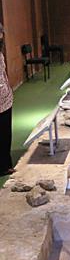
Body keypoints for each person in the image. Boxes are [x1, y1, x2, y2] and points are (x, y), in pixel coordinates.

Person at [0, 23, 15, 176]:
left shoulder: (0, 53)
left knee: (5, 134)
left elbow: (3, 73)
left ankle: (5, 164)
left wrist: (9, 89)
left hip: (5, 99)